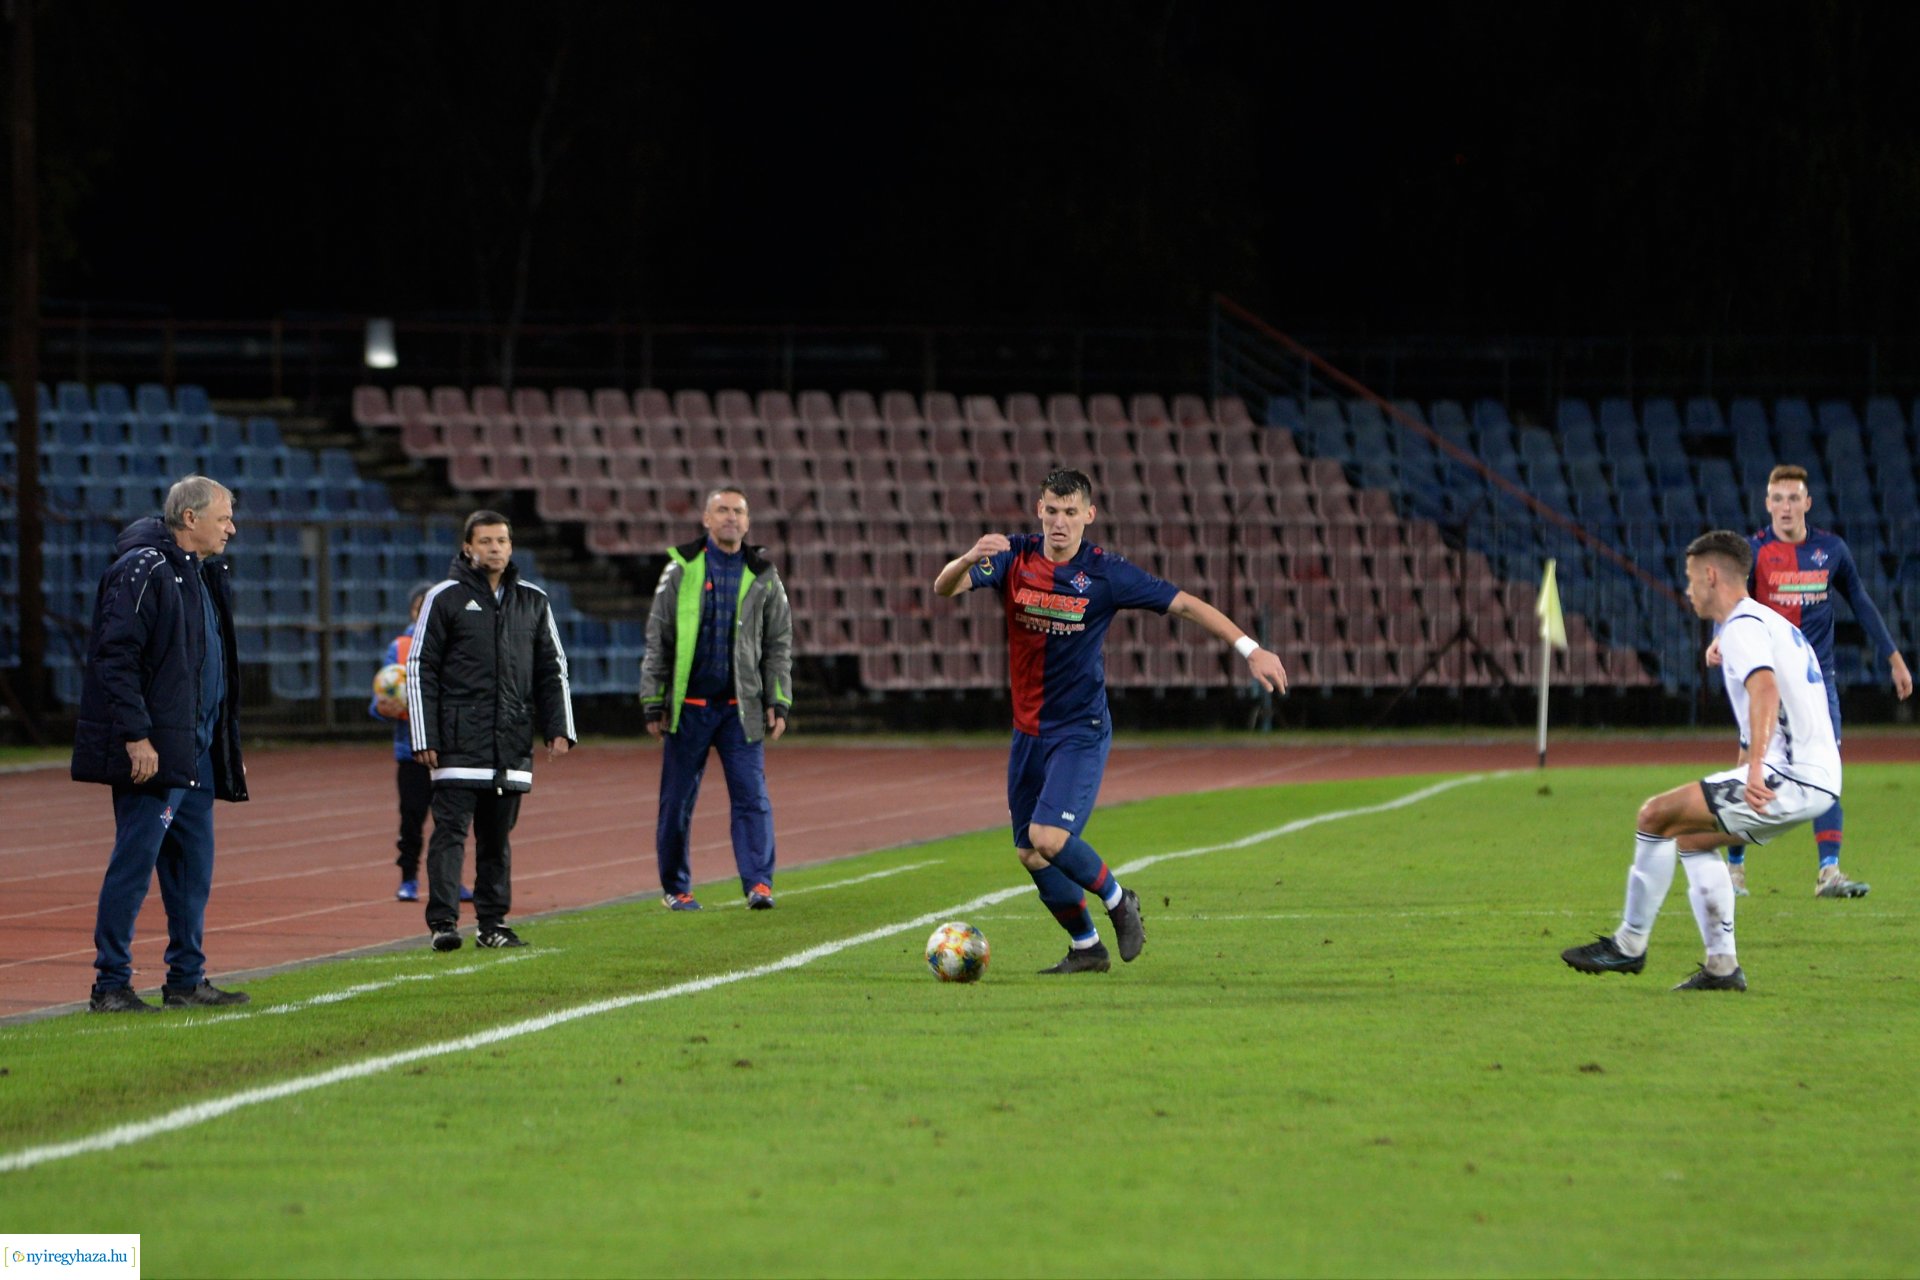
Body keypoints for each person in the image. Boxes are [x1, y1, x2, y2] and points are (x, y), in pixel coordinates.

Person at [932, 467, 1288, 973]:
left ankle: (1121, 901)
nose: (1059, 522)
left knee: (1049, 838)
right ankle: (1087, 948)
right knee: (1030, 855)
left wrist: (1250, 648)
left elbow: (1185, 604)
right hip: (1027, 731)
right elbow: (944, 587)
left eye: (1070, 513)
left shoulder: (1105, 573)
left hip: (1080, 730)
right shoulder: (1012, 556)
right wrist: (968, 558)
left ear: (1089, 516)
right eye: (1051, 511)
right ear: (1039, 510)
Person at [1564, 530, 1842, 992]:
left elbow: (1766, 690)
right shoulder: (1767, 623)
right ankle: (1721, 968)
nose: (1687, 589)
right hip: (1817, 775)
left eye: (1692, 579)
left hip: (1790, 776)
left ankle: (1628, 945)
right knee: (1693, 839)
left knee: (1654, 815)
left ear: (1712, 576)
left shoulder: (1742, 629)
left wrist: (1753, 769)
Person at [71, 475, 250, 1012]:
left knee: (192, 869)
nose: (232, 528)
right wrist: (137, 736)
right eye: (224, 518)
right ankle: (110, 985)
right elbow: (115, 656)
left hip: (193, 751)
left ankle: (186, 979)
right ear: (190, 519)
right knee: (135, 864)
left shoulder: (200, 572)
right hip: (155, 752)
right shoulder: (143, 569)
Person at [1710, 464, 1911, 899]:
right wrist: (1719, 638)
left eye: (1793, 498)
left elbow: (1859, 600)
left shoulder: (1831, 550)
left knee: (1827, 771)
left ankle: (1829, 872)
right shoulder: (1753, 552)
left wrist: (1894, 657)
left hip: (1816, 682)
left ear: (1807, 503)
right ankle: (1735, 871)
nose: (1785, 507)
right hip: (1764, 680)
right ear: (1767, 504)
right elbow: (1729, 600)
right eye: (1777, 498)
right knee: (1751, 766)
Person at [408, 510, 576, 951]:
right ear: (467, 547)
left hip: (510, 742)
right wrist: (424, 736)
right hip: (457, 742)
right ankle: (444, 923)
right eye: (485, 541)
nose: (495, 548)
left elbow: (552, 668)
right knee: (450, 835)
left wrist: (560, 726)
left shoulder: (533, 600)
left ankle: (492, 925)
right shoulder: (442, 598)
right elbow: (419, 666)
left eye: (502, 540)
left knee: (497, 841)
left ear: (511, 546)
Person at [640, 486, 793, 910]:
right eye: (722, 510)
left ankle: (759, 884)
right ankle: (676, 888)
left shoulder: (764, 574)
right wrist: (653, 699)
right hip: (687, 711)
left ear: (747, 522)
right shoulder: (680, 569)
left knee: (752, 799)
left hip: (738, 712)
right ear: (706, 519)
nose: (730, 518)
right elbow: (658, 637)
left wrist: (779, 700)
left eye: (738, 512)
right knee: (676, 803)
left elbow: (779, 642)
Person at [368, 582, 468, 905]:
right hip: (411, 752)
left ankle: (452, 882)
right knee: (412, 817)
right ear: (412, 612)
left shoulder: (458, 646)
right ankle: (408, 878)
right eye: (418, 608)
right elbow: (381, 697)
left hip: (450, 750)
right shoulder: (399, 647)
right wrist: (384, 708)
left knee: (451, 820)